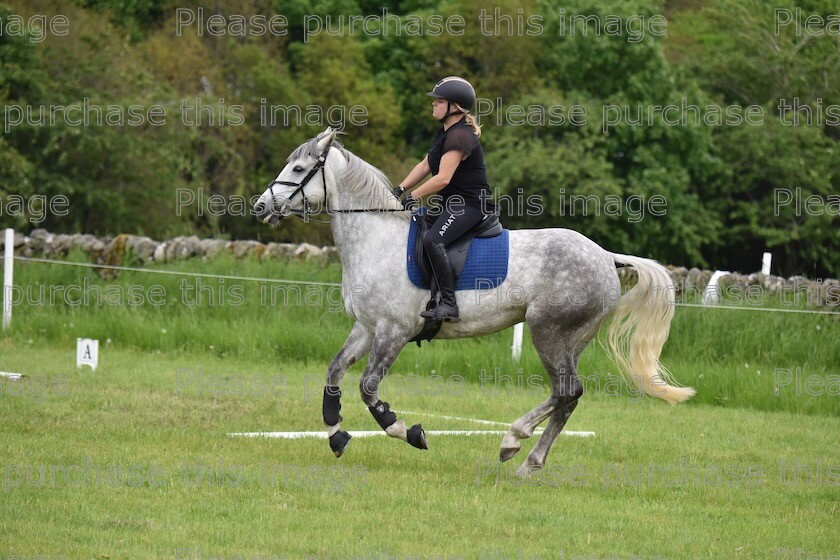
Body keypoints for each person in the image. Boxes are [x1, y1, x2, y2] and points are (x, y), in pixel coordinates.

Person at [393, 76, 497, 323]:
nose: (434, 104)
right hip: (453, 204)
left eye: (439, 101)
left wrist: (414, 196)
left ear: (455, 106)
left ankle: (450, 305)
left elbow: (443, 179)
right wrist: (400, 188)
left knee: (433, 239)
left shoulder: (460, 137)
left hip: (471, 206)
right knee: (418, 226)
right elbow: (425, 165)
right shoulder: (446, 133)